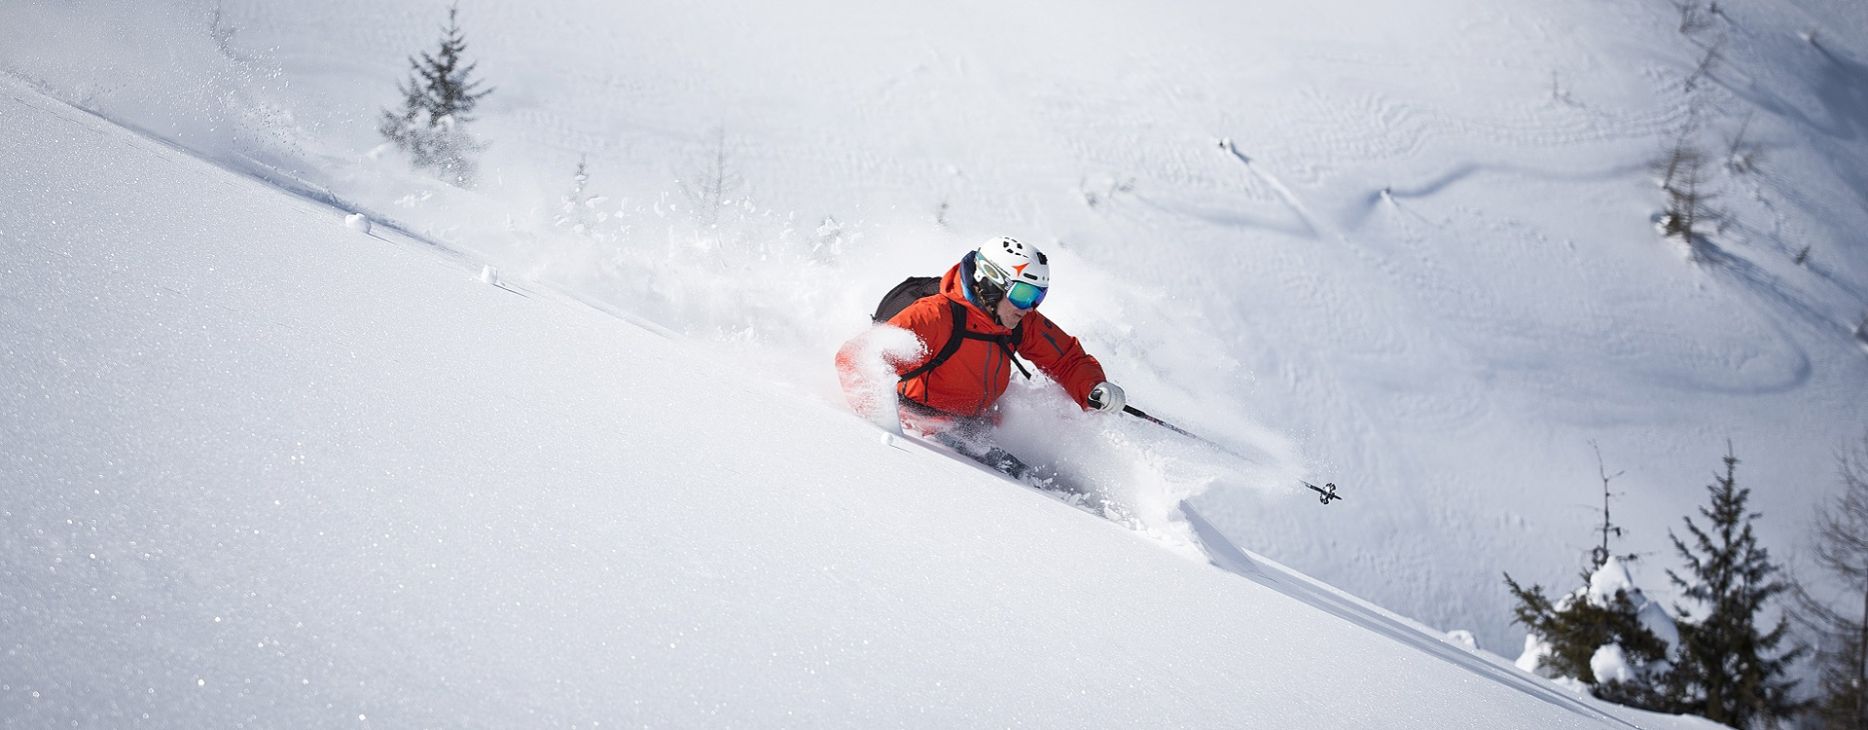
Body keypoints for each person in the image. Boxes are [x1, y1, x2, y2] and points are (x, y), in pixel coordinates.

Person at [834, 236, 1126, 484]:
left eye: (1039, 296)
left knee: (1050, 478)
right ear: (991, 282)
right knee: (1025, 482)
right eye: (1024, 294)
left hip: (977, 424)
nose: (1030, 307)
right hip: (922, 424)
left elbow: (1066, 360)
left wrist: (1092, 388)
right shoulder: (935, 316)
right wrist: (886, 428)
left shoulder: (1015, 320)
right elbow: (857, 357)